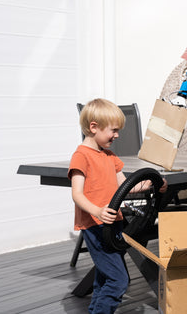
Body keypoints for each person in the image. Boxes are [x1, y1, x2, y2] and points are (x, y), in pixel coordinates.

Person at [68, 98, 166, 313]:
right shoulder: (81, 156)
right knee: (118, 280)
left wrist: (153, 183)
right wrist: (97, 211)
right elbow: (77, 194)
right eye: (113, 130)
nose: (117, 135)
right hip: (95, 225)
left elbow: (125, 186)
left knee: (105, 278)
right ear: (94, 127)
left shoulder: (110, 156)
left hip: (115, 224)